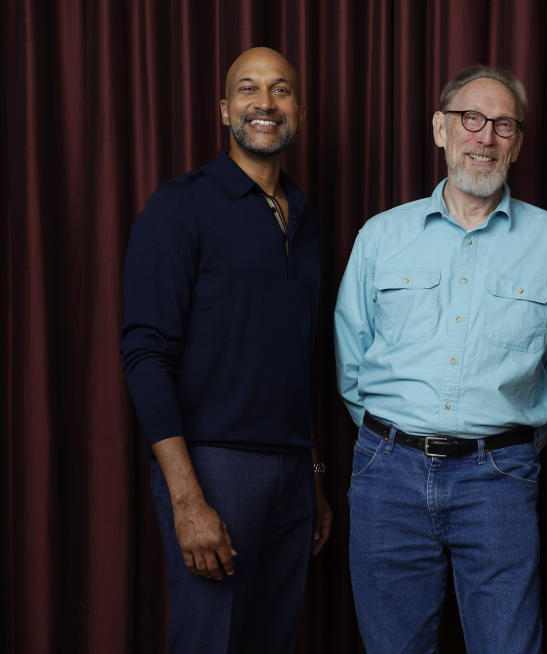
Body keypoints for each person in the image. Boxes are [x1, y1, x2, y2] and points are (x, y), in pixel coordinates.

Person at [334, 64, 547, 653]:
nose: (485, 136)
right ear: (440, 130)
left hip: (498, 478)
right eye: (471, 119)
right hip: (385, 473)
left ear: (517, 143)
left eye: (502, 125)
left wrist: (509, 449)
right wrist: (391, 442)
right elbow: (350, 363)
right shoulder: (380, 236)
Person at [120, 47, 332, 654]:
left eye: (281, 90)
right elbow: (145, 354)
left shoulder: (309, 223)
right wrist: (188, 500)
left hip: (293, 473)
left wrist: (314, 475)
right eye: (248, 89)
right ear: (223, 109)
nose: (265, 103)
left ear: (300, 110)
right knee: (209, 640)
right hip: (213, 468)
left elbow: (300, 363)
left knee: (275, 640)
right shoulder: (179, 206)